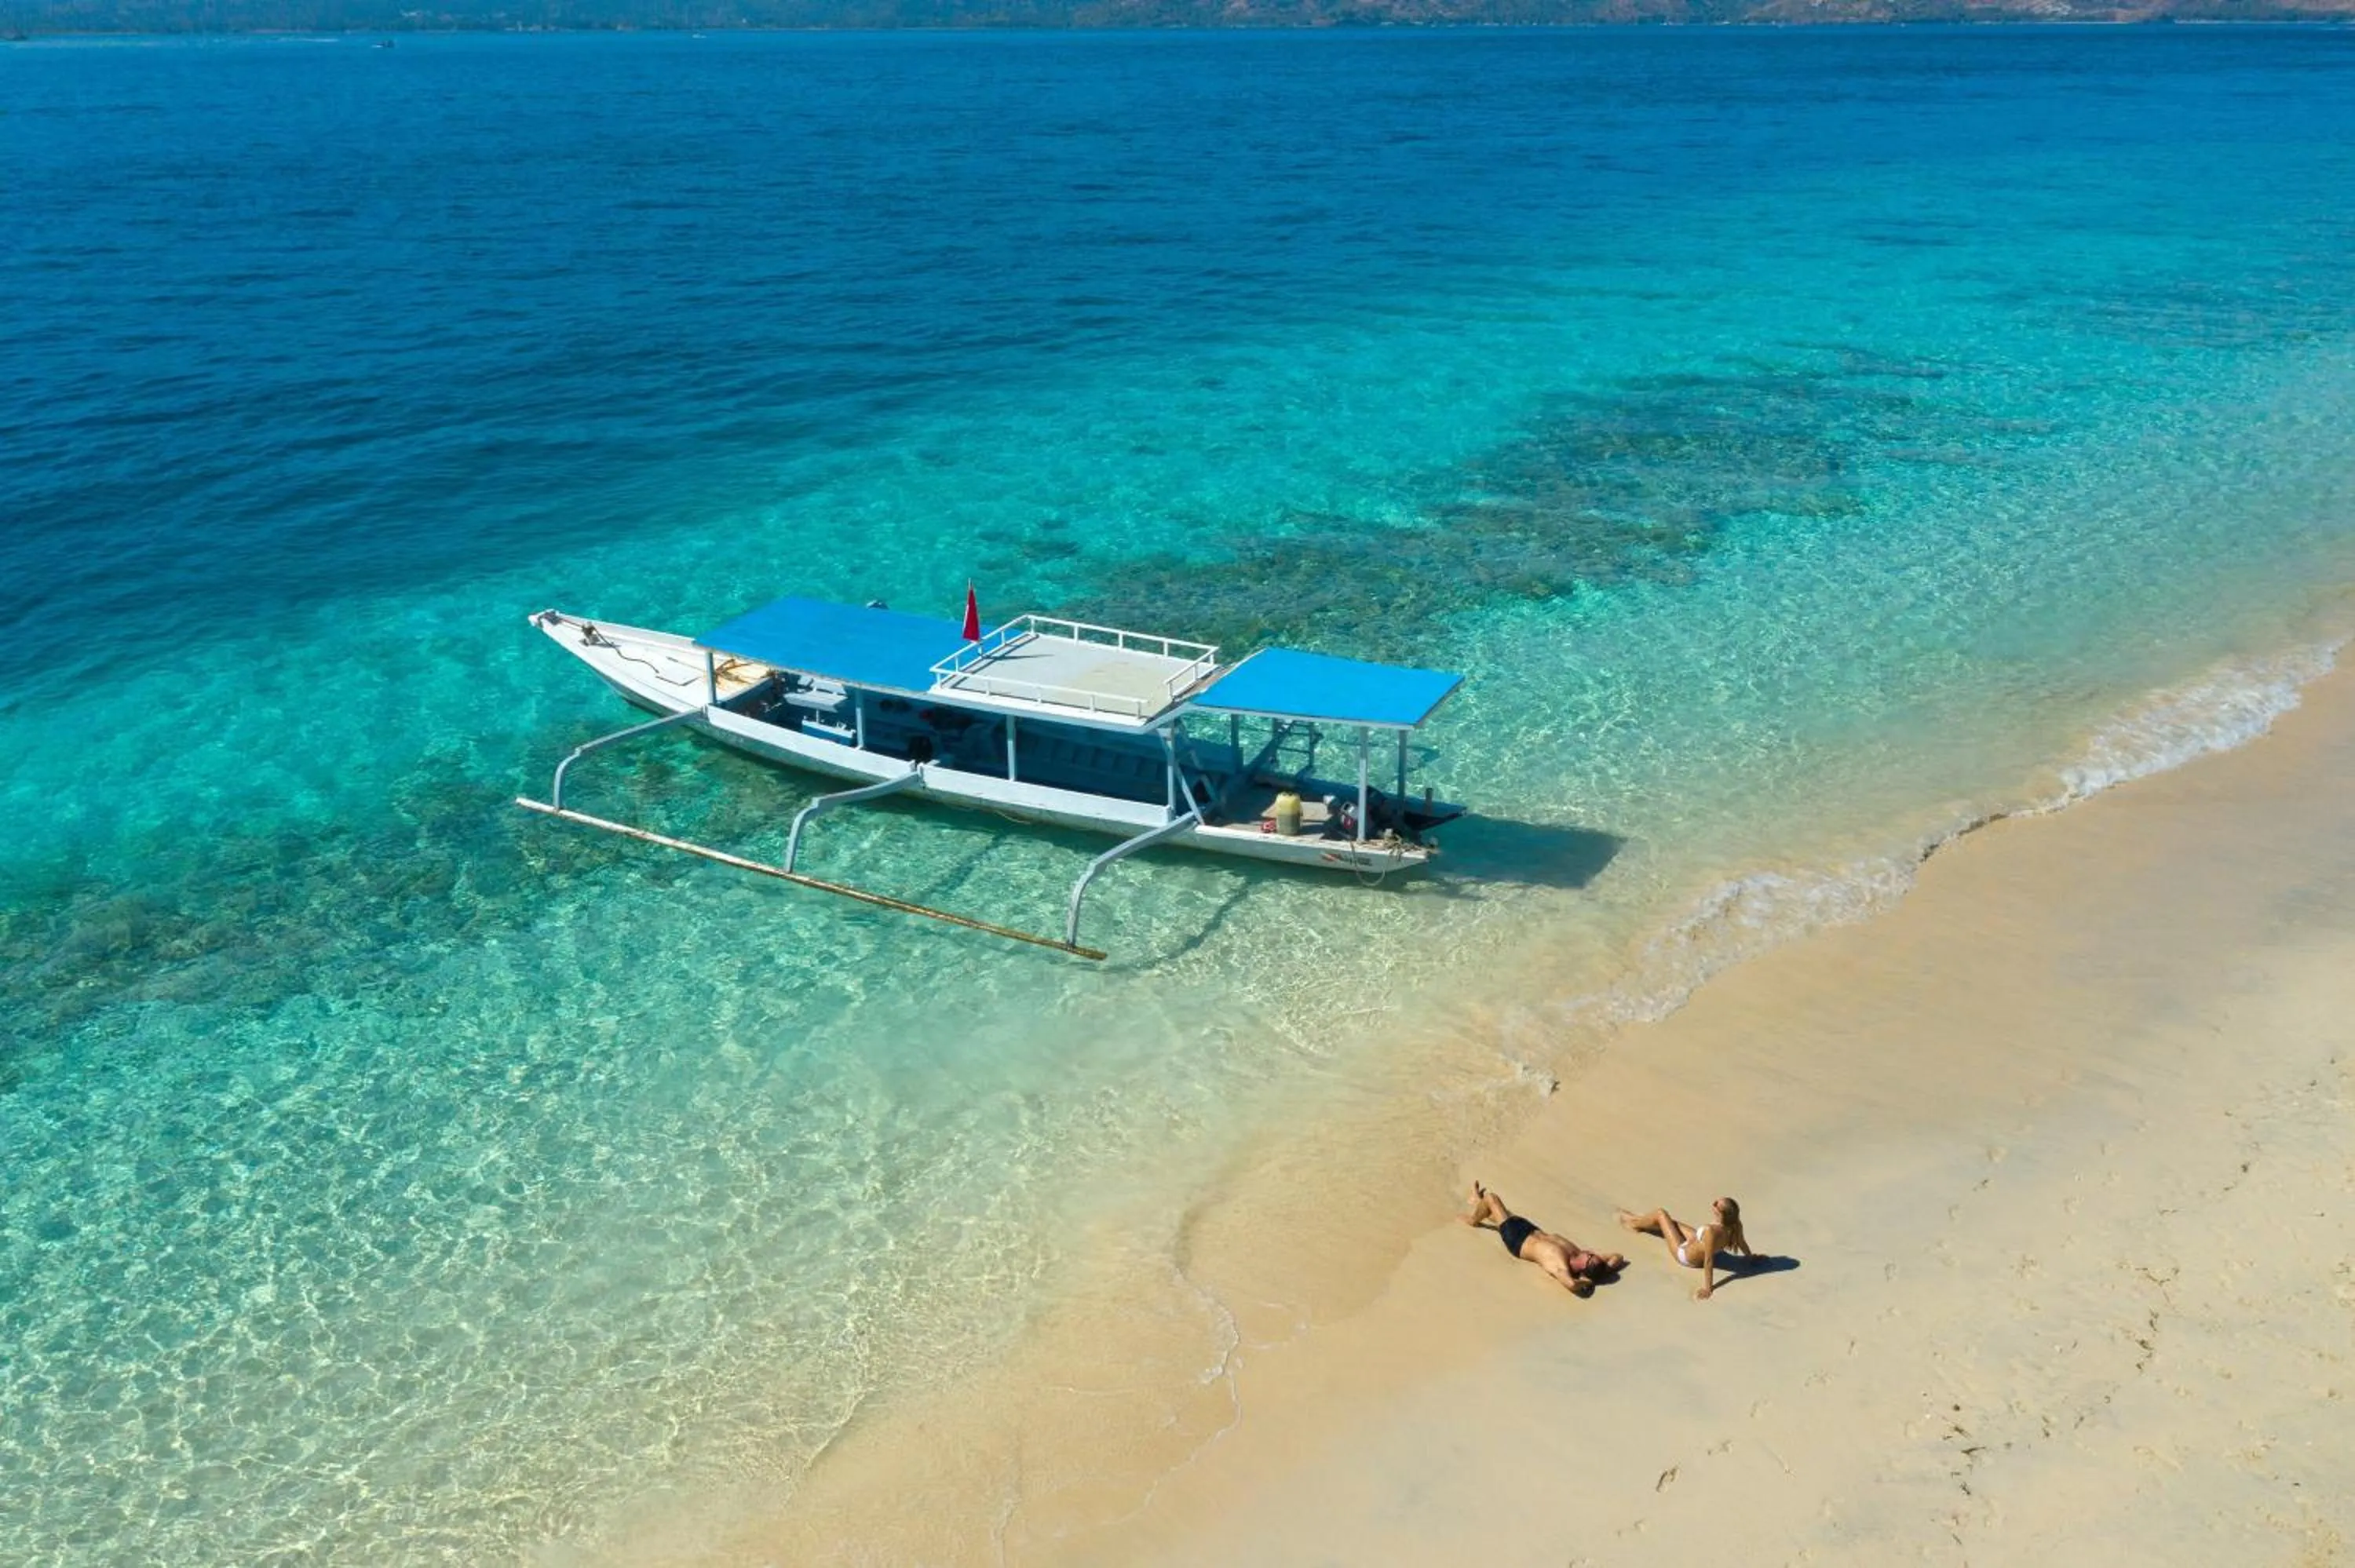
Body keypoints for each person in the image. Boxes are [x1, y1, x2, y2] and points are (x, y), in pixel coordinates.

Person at [1460, 1182, 1625, 1297]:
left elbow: (1571, 1284)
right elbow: (1618, 1256)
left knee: (1492, 1199)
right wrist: (1604, 1271)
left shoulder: (1560, 1264)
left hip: (1517, 1240)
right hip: (1531, 1230)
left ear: (1583, 1267)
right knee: (1502, 1213)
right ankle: (1477, 1202)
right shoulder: (1582, 1256)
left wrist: (1586, 1282)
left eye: (1590, 1256)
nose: (1590, 1252)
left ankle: (1473, 1221)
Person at [1618, 1197, 1751, 1300]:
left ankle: (1635, 1224)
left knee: (1660, 1213)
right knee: (1670, 1223)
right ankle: (1639, 1219)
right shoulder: (1735, 1225)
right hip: (1696, 1243)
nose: (1714, 1203)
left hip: (1685, 1255)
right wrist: (1750, 1257)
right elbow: (1742, 1243)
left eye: (1716, 1203)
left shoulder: (1711, 1231)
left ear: (1720, 1213)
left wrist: (1708, 1289)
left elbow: (1709, 1260)